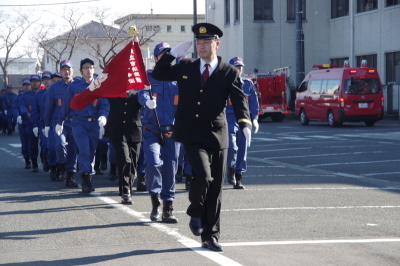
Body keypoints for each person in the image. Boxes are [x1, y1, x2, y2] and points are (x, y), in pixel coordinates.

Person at [151, 23, 252, 252]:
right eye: (198, 42)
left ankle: (211, 235)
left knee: (215, 189)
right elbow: (158, 73)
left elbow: (238, 100)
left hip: (217, 134)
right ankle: (195, 211)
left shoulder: (228, 71)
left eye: (206, 42)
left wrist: (244, 122)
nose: (202, 46)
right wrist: (172, 55)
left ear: (217, 44)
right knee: (203, 177)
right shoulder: (186, 66)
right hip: (192, 132)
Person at [138, 42, 180, 223]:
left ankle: (168, 208)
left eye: (168, 54)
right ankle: (155, 201)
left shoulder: (178, 76)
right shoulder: (148, 77)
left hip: (172, 130)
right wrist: (146, 100)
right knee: (153, 163)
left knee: (170, 168)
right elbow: (141, 93)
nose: (166, 57)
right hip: (152, 129)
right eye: (162, 55)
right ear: (155, 58)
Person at [56, 58, 109, 193]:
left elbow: (104, 104)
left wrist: (103, 116)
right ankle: (85, 179)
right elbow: (67, 104)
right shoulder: (74, 86)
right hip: (79, 122)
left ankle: (88, 175)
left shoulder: (99, 85)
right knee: (84, 150)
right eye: (85, 67)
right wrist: (60, 121)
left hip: (94, 124)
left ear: (94, 69)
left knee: (91, 152)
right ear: (81, 70)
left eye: (91, 67)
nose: (88, 70)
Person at [226, 57, 259, 189]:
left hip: (244, 120)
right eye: (236, 67)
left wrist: (255, 119)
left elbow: (253, 103)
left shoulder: (247, 83)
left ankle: (239, 177)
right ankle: (230, 169)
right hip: (229, 119)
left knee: (242, 149)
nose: (238, 70)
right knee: (232, 147)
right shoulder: (224, 83)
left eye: (240, 67)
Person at [43, 60, 78, 186]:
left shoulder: (78, 86)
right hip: (58, 123)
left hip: (75, 122)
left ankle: (70, 176)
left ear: (73, 71)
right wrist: (47, 125)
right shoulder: (54, 87)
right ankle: (62, 167)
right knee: (60, 144)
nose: (66, 71)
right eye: (63, 69)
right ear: (60, 71)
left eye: (68, 69)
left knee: (73, 150)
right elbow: (48, 107)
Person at [105, 89, 142, 204]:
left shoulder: (139, 93)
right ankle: (126, 190)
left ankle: (127, 187)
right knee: (124, 159)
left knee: (133, 163)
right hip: (117, 130)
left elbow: (145, 103)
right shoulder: (113, 91)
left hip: (134, 130)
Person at [19, 74, 42, 172]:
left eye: (36, 81)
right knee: (32, 144)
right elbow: (22, 107)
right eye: (32, 81)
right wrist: (26, 114)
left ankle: (45, 158)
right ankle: (34, 163)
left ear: (40, 83)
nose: (34, 83)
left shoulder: (44, 93)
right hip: (31, 122)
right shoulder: (24, 95)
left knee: (46, 144)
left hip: (43, 122)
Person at [31, 71, 52, 172]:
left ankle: (55, 166)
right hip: (42, 124)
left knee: (55, 146)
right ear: (42, 81)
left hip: (54, 122)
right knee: (45, 144)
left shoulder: (55, 92)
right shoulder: (38, 95)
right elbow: (35, 111)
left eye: (48, 79)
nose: (47, 81)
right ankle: (46, 159)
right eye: (45, 79)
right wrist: (35, 125)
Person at [13, 79, 31, 168]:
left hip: (34, 122)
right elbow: (15, 108)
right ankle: (27, 160)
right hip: (23, 122)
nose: (26, 86)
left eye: (28, 85)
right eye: (25, 85)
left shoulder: (35, 95)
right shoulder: (18, 97)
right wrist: (18, 116)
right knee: (25, 143)